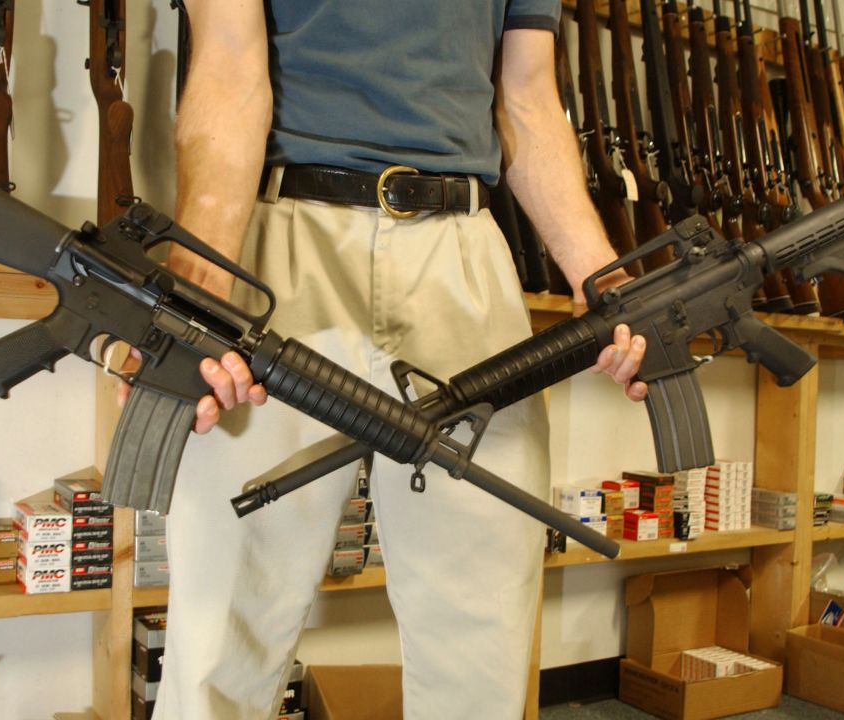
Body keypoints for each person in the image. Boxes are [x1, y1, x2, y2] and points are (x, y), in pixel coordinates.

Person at [136, 2, 649, 717]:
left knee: (481, 626)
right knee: (228, 624)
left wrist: (606, 284)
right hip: (284, 248)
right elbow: (227, 60)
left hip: (463, 249)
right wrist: (202, 288)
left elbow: (528, 98)